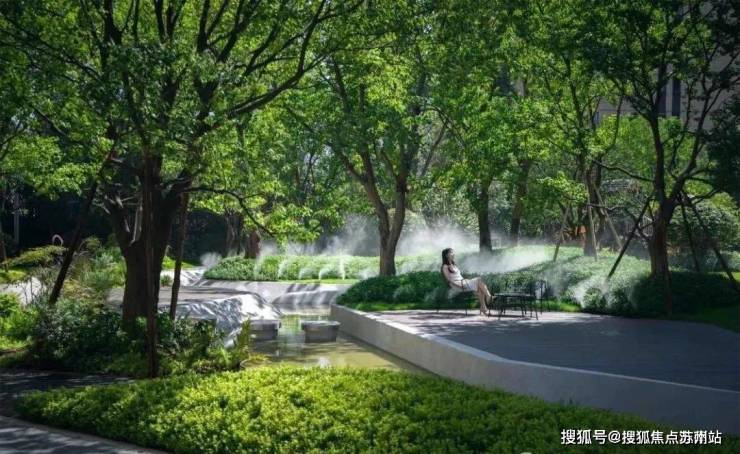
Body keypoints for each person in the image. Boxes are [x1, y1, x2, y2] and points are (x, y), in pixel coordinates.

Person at [441, 248, 493, 315]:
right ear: (446, 255)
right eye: (451, 252)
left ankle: (483, 307)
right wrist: (458, 285)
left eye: (453, 252)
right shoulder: (445, 266)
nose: (454, 254)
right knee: (479, 280)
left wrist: (465, 280)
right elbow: (448, 280)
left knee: (479, 288)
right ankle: (488, 296)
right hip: (457, 285)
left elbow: (458, 276)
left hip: (463, 282)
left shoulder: (454, 265)